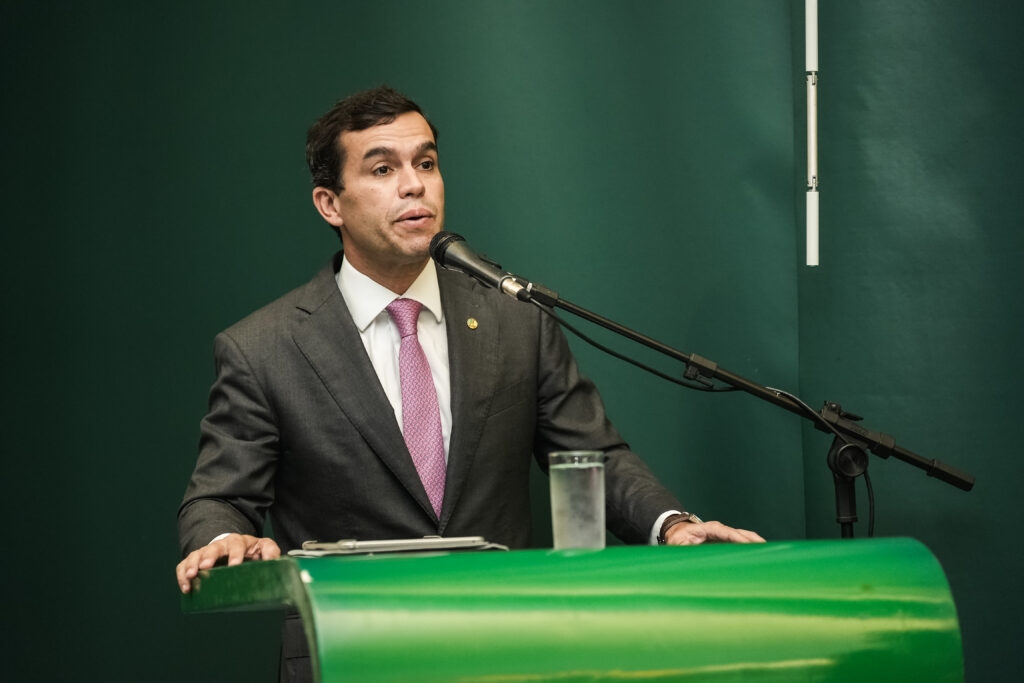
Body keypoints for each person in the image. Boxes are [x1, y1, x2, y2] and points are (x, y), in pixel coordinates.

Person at [176, 85, 763, 592]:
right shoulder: (264, 349)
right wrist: (224, 540)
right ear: (330, 204)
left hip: (501, 638)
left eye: (426, 163)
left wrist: (672, 525)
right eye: (382, 170)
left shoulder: (516, 319)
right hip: (351, 647)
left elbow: (593, 458)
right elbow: (219, 497)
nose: (414, 186)